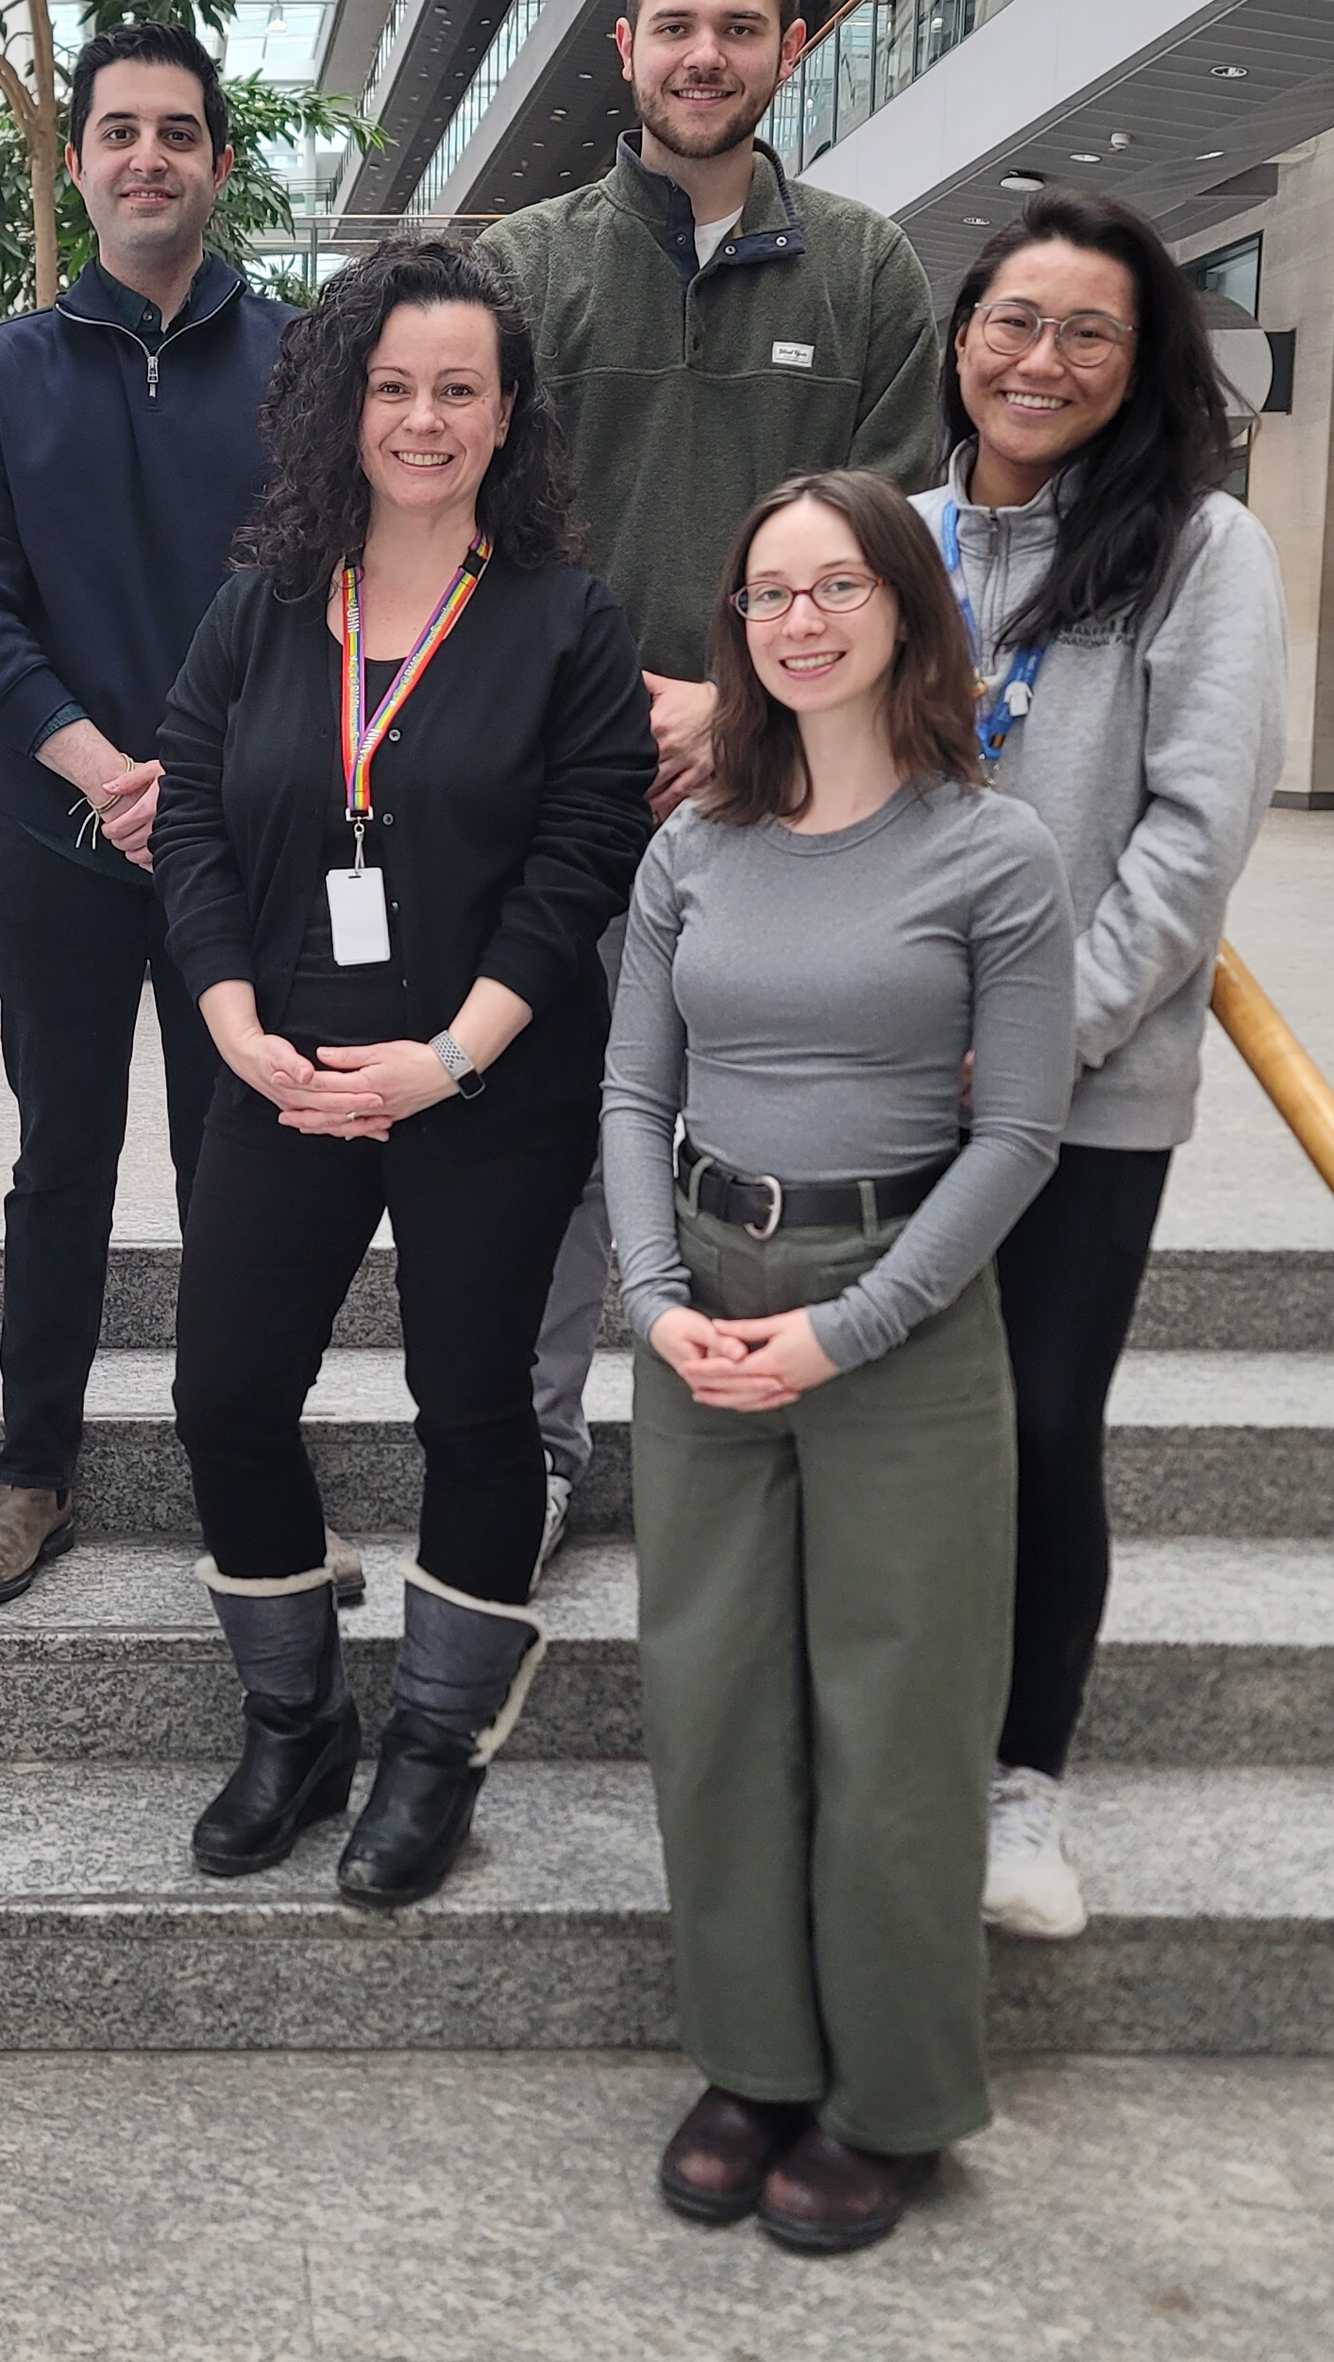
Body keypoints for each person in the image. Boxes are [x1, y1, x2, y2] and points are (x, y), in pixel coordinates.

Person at [603, 470, 1075, 2253]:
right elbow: (634, 1090)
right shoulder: (692, 848)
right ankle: (754, 2063)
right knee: (716, 1702)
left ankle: (891, 2096)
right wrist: (655, 1303)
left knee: (898, 1718)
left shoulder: (990, 849)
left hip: (900, 1308)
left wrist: (851, 1325)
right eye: (766, 596)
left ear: (904, 608)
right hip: (705, 1295)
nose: (797, 622)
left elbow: (1021, 1134)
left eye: (834, 589)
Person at [152, 240, 654, 1906]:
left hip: (486, 1080)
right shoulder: (265, 608)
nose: (423, 419)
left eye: (459, 389)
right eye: (393, 386)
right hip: (280, 1063)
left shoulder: (566, 622)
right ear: (342, 404)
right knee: (223, 1390)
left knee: (476, 1412)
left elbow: (578, 868)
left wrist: (447, 1057)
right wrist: (233, 1024)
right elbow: (200, 825)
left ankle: (434, 1749)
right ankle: (294, 1719)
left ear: (508, 415)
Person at [478, 0, 941, 1554]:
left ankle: (778, 1454)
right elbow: (474, 540)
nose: (705, 56)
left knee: (780, 1143)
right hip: (566, 799)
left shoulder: (874, 274)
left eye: (740, 28)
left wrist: (734, 701)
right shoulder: (524, 268)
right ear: (627, 46)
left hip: (797, 799)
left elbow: (897, 552)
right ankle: (531, 1450)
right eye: (677, 26)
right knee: (552, 1145)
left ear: (789, 48)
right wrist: (627, 711)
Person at [917, 191, 1286, 1939]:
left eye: (1087, 334)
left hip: (1085, 1092)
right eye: (1012, 320)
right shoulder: (894, 538)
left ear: (1141, 372)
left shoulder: (1203, 552)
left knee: (1042, 1426)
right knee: (898, 1435)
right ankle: (892, 1747)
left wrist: (1036, 1047)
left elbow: (1195, 839)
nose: (1038, 359)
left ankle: (1020, 1787)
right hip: (885, 1090)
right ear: (961, 334)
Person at [0, 23, 303, 1609]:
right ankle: (31, 1470)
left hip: (242, 844)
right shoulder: (7, 371)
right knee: (60, 1155)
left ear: (217, 161)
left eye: (180, 132)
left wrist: (199, 789)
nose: (150, 156)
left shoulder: (297, 363)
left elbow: (319, 598)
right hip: (61, 836)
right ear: (76, 162)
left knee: (239, 1156)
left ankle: (244, 1460)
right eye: (120, 131)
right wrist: (95, 765)